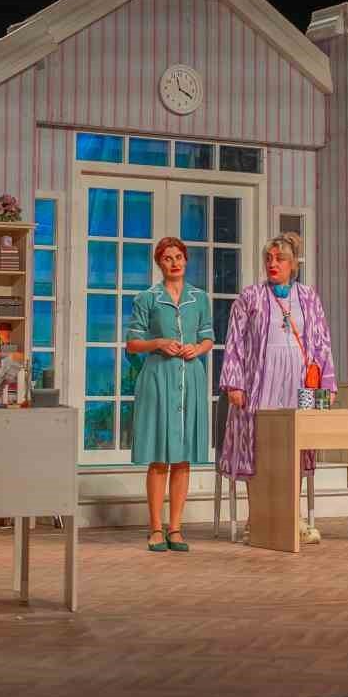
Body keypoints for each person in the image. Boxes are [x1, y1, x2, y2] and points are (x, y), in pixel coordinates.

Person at [218, 232, 335, 543]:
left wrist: (327, 384)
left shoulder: (308, 297)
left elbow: (321, 343)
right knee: (259, 448)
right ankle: (256, 520)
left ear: (293, 264)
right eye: (268, 259)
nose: (273, 264)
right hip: (260, 383)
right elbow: (234, 342)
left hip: (299, 385)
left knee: (295, 447)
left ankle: (292, 518)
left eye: (280, 259)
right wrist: (234, 383)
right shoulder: (250, 297)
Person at [126, 237, 214, 552]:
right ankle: (155, 527)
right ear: (159, 263)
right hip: (158, 378)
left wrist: (197, 349)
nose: (174, 263)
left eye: (178, 257)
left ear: (186, 260)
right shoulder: (147, 298)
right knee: (159, 456)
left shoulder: (199, 298)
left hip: (191, 378)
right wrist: (159, 343)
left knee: (183, 457)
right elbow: (132, 344)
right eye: (167, 258)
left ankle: (175, 529)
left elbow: (208, 337)